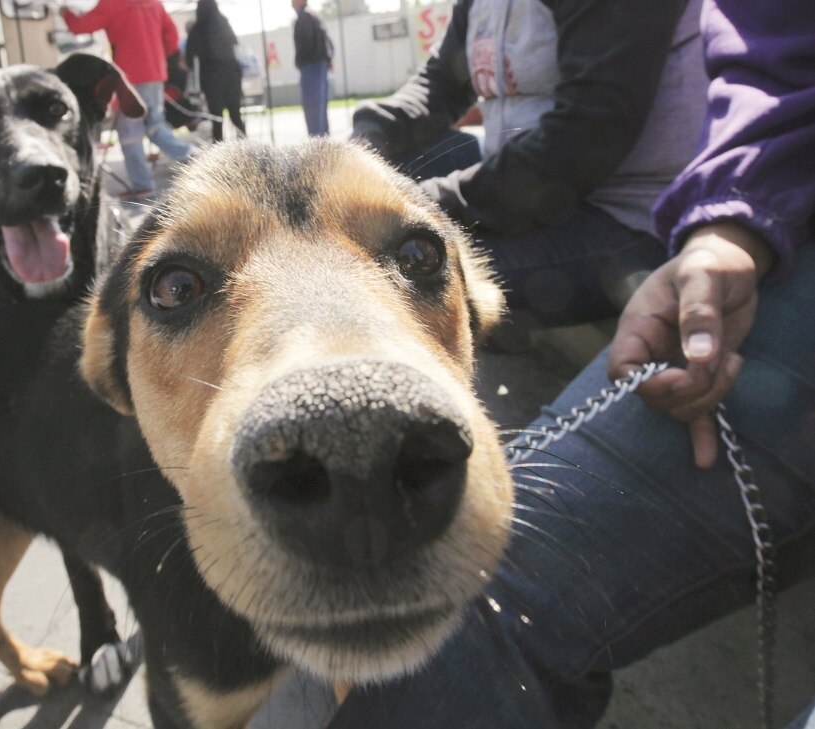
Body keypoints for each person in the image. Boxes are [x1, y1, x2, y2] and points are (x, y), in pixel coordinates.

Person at [330, 0, 815, 727]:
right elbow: (438, 85)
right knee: (379, 197)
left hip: (620, 220)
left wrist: (424, 214)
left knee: (394, 262)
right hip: (693, 217)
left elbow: (577, 147)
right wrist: (356, 148)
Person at [352, 0, 708, 329]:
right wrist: (360, 147)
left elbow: (586, 139)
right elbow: (442, 81)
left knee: (404, 272)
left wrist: (422, 201)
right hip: (533, 195)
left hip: (627, 217)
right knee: (383, 171)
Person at [61, 0, 192, 198]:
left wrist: (65, 13)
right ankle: (193, 158)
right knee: (156, 126)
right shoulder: (154, 3)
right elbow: (171, 36)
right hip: (155, 72)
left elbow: (81, 26)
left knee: (130, 133)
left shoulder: (112, 3)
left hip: (130, 76)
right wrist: (157, 57)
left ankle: (143, 184)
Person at [185, 0, 246, 142]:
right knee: (235, 116)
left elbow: (189, 59)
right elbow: (235, 44)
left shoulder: (196, 29)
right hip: (232, 75)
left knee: (216, 118)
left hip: (210, 79)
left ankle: (219, 156)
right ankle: (245, 150)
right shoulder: (224, 23)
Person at [292, 0, 333, 137]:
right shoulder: (314, 16)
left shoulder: (304, 17)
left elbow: (307, 44)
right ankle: (324, 143)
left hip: (311, 67)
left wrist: (299, 60)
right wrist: (328, 59)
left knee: (313, 109)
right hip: (318, 66)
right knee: (320, 109)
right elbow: (327, 42)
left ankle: (317, 145)